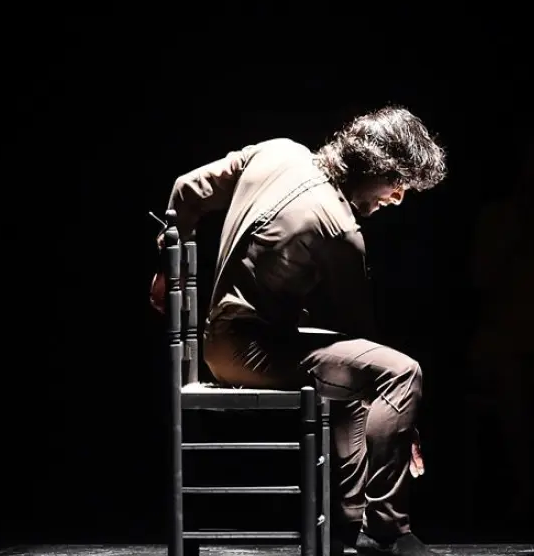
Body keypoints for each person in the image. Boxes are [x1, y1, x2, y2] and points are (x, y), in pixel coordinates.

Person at [151, 106, 447, 556]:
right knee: (401, 374)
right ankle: (387, 526)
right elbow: (361, 338)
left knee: (359, 375)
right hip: (249, 352)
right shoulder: (340, 229)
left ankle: (350, 525)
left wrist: (165, 269)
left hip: (223, 339)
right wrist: (400, 423)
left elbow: (184, 190)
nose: (398, 197)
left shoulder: (278, 151)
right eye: (397, 182)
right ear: (374, 167)